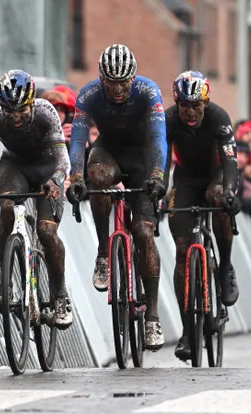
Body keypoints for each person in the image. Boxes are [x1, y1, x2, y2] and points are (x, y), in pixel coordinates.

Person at [65, 44, 167, 350]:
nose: (119, 89)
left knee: (143, 233)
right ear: (101, 79)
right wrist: (76, 176)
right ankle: (103, 254)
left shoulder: (148, 92)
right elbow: (79, 138)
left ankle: (151, 315)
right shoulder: (89, 94)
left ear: (133, 79)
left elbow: (160, 137)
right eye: (111, 83)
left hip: (144, 156)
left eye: (124, 83)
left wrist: (158, 177)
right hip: (108, 152)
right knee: (97, 178)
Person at [0, 69, 73, 329]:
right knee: (5, 206)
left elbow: (62, 159)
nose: (15, 119)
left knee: (47, 232)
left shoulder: (46, 112)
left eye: (21, 113)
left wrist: (56, 179)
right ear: (1, 107)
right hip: (16, 167)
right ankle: (6, 284)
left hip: (48, 167)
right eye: (10, 113)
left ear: (31, 103)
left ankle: (60, 295)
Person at [163, 70, 241, 362]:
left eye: (196, 106)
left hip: (216, 175)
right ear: (177, 104)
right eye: (185, 106)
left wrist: (231, 192)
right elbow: (160, 156)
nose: (191, 112)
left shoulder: (219, 118)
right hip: (185, 180)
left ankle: (225, 268)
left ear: (205, 103)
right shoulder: (169, 120)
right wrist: (159, 186)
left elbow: (231, 161)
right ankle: (187, 332)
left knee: (218, 197)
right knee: (182, 254)